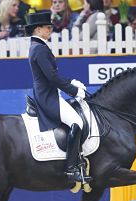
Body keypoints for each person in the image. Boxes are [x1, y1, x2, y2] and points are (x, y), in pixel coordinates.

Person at [26, 11, 91, 185]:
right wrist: (74, 91)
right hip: (48, 97)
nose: (50, 30)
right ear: (38, 29)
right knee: (77, 123)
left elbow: (53, 75)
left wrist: (72, 82)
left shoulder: (38, 47)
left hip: (48, 93)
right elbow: (52, 78)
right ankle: (71, 169)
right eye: (47, 27)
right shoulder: (39, 49)